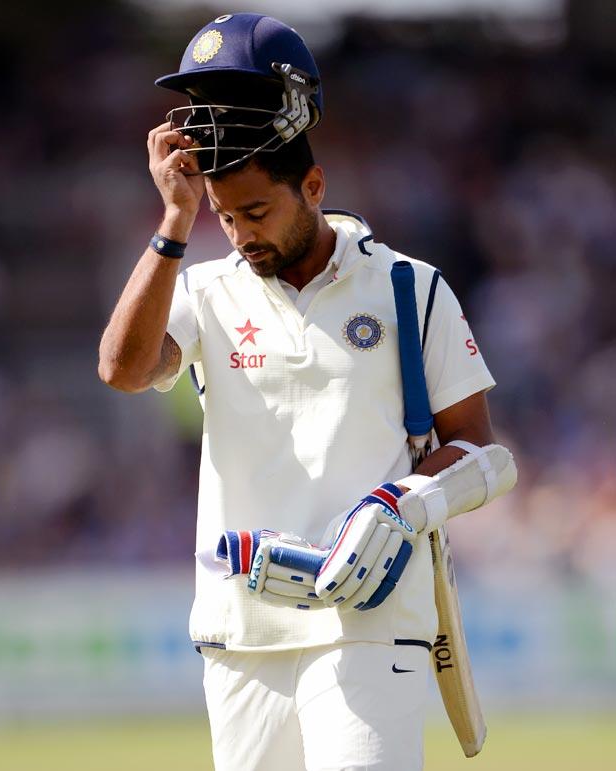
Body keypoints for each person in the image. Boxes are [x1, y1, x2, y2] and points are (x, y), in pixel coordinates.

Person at [98, 13, 508, 771]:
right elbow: (123, 370)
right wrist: (175, 220)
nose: (241, 235)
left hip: (370, 620)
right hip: (241, 628)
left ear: (313, 185)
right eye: (225, 218)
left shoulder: (407, 289)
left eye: (257, 212)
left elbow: (481, 451)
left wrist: (401, 503)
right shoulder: (206, 288)